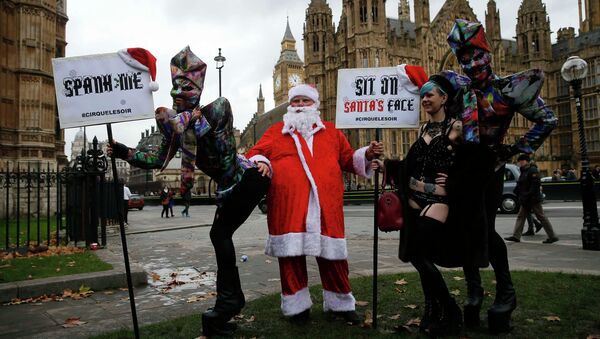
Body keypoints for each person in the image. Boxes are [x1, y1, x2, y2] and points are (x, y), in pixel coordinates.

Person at [108, 46, 270, 337]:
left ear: (197, 89)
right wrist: (123, 151)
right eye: (174, 88)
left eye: (184, 87)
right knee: (219, 236)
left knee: (220, 235)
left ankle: (229, 303)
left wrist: (190, 124)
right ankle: (229, 303)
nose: (176, 94)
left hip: (246, 180)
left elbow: (223, 154)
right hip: (229, 187)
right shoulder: (178, 128)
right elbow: (157, 159)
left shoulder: (219, 108)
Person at [443, 19, 557, 333]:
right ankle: (474, 289)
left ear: (488, 55)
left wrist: (515, 149)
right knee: (465, 231)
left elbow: (547, 119)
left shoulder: (506, 90)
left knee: (485, 230)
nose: (471, 63)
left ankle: (506, 291)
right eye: (464, 58)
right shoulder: (461, 91)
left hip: (488, 172)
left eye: (475, 55)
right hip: (462, 173)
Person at [246, 84, 383, 325]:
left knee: (333, 257)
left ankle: (340, 304)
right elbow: (254, 153)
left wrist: (368, 155)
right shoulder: (277, 131)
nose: (299, 105)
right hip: (289, 205)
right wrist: (262, 162)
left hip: (325, 206)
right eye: (295, 101)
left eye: (304, 101)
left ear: (315, 105)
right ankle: (296, 307)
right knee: (291, 257)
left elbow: (349, 159)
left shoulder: (331, 132)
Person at [505, 154, 558, 244]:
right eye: (519, 161)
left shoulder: (532, 170)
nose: (520, 162)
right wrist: (518, 191)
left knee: (541, 217)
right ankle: (516, 236)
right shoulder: (523, 170)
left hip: (533, 199)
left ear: (526, 161)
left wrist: (527, 194)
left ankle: (552, 236)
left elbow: (535, 185)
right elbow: (521, 183)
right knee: (520, 217)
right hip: (525, 199)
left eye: (522, 161)